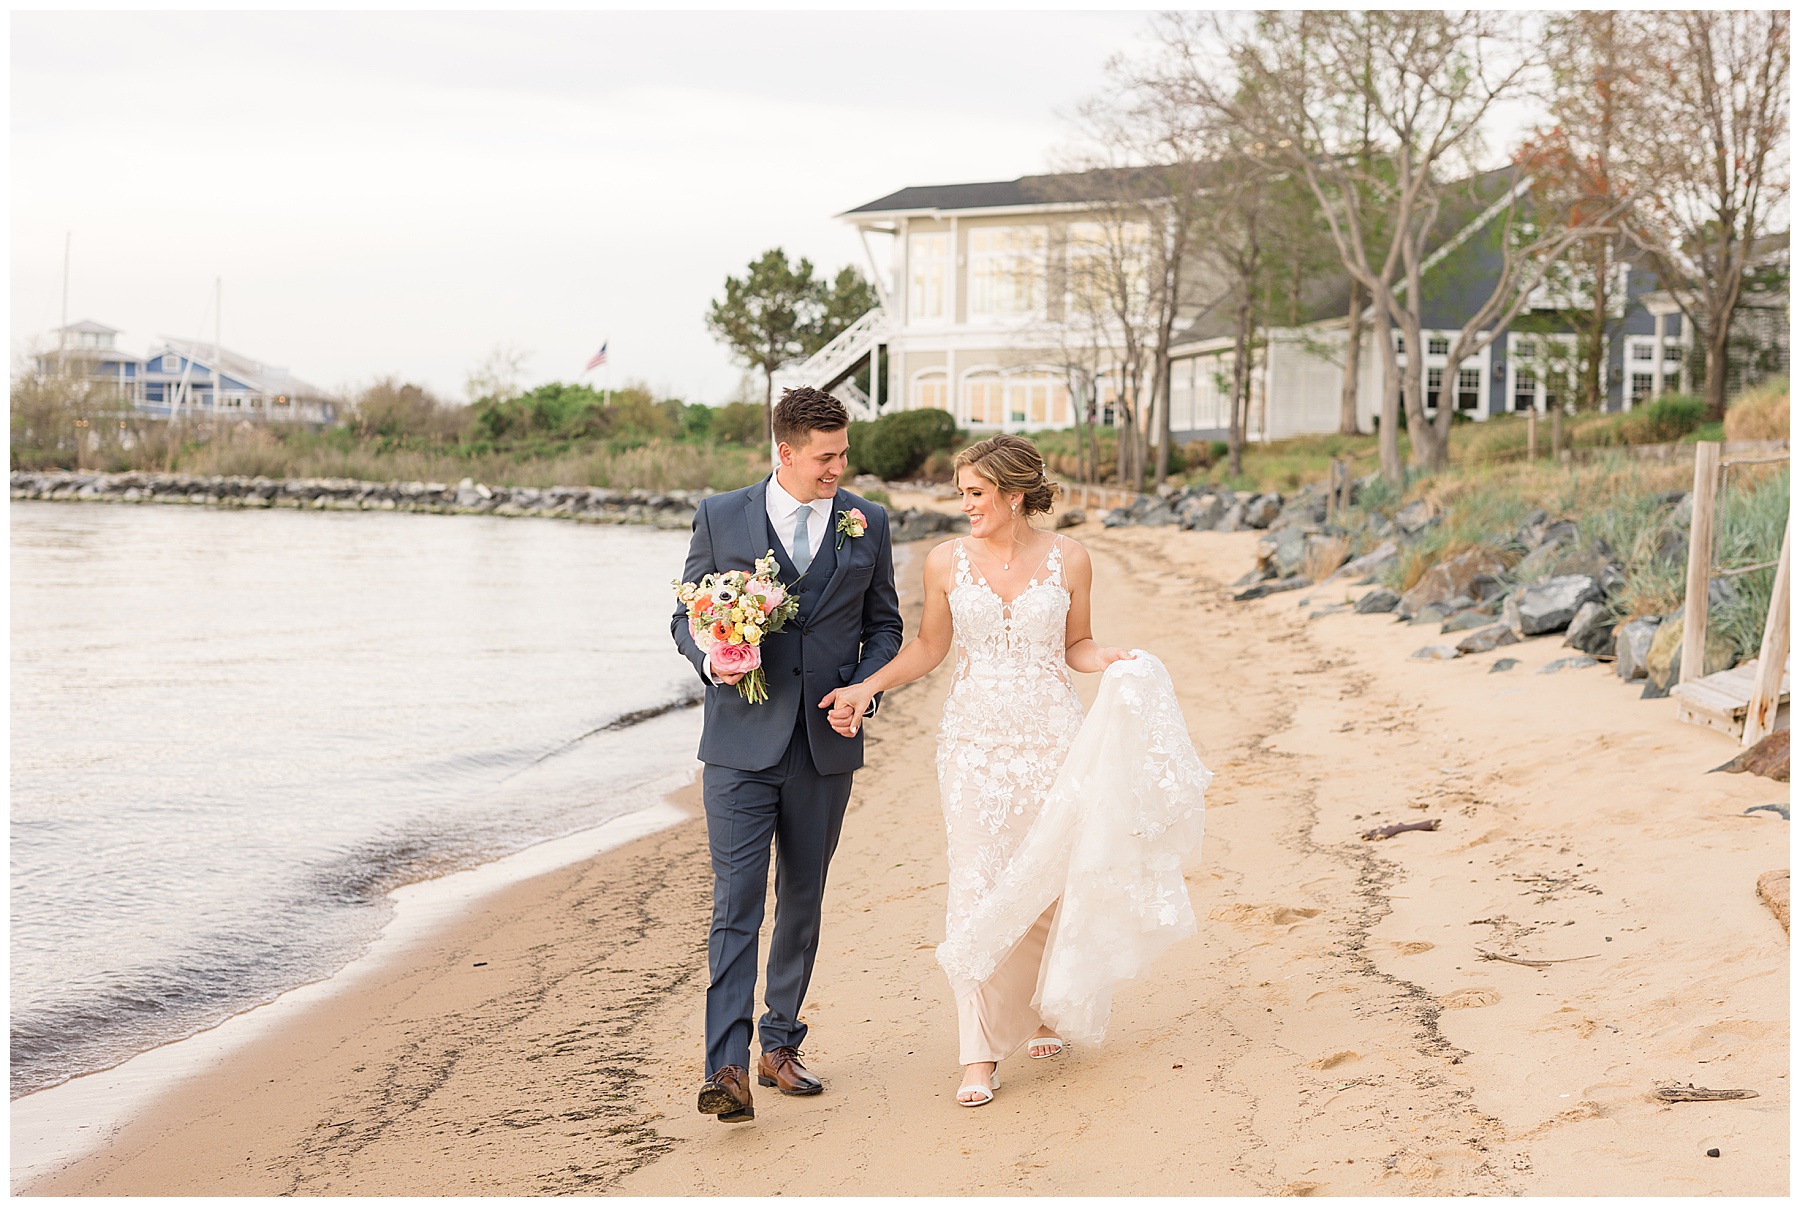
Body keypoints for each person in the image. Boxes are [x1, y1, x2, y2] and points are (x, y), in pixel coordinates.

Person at [821, 434, 1210, 1107]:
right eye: (964, 493)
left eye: (976, 493)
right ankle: (977, 1052)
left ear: (1014, 493)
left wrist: (1112, 660)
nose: (965, 505)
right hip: (972, 743)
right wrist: (864, 688)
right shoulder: (945, 562)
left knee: (1051, 877)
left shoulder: (1072, 559)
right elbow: (929, 647)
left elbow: (1076, 646)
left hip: (1053, 737)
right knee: (976, 882)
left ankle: (1046, 1007)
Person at [670, 386, 903, 1123]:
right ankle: (727, 1068)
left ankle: (780, 1043)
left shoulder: (870, 523)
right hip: (740, 743)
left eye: (843, 453)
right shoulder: (721, 514)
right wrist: (713, 661)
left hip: (825, 743)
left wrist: (865, 688)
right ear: (786, 452)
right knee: (736, 904)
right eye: (826, 456)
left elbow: (887, 626)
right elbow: (687, 614)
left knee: (802, 897)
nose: (839, 468)